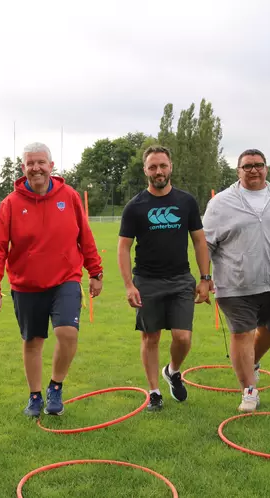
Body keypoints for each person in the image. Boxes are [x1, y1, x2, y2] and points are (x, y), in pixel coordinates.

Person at [0, 142, 103, 418]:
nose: (36, 168)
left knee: (67, 332)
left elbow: (84, 236)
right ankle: (35, 396)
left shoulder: (69, 196)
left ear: (51, 166)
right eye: (30, 163)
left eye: (41, 162)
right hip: (26, 284)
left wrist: (95, 272)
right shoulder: (11, 204)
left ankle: (56, 387)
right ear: (23, 168)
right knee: (33, 341)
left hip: (66, 279)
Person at [203, 148, 270, 413]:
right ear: (238, 171)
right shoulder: (221, 202)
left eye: (258, 165)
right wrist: (205, 278)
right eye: (247, 166)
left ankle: (251, 364)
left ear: (266, 168)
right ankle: (249, 391)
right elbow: (205, 243)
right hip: (233, 283)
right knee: (241, 333)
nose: (253, 169)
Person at [117, 145, 211, 412]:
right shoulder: (135, 207)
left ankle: (172, 370)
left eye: (163, 166)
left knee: (183, 337)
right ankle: (154, 391)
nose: (158, 171)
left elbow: (199, 241)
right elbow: (123, 247)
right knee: (151, 338)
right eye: (153, 167)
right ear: (145, 170)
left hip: (181, 279)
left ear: (171, 167)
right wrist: (128, 285)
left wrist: (205, 278)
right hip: (147, 281)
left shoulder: (186, 202)